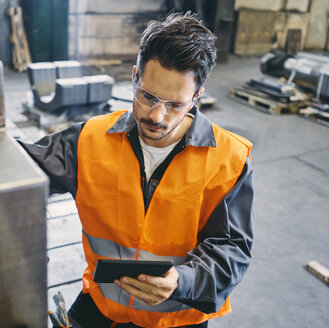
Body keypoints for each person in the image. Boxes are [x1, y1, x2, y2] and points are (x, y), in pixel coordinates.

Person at [19, 12, 254, 328]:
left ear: (197, 96)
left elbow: (232, 250)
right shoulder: (87, 140)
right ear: (134, 76)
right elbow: (20, 171)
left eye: (174, 105)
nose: (157, 116)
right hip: (103, 306)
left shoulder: (229, 160)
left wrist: (181, 281)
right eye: (148, 96)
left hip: (177, 318)